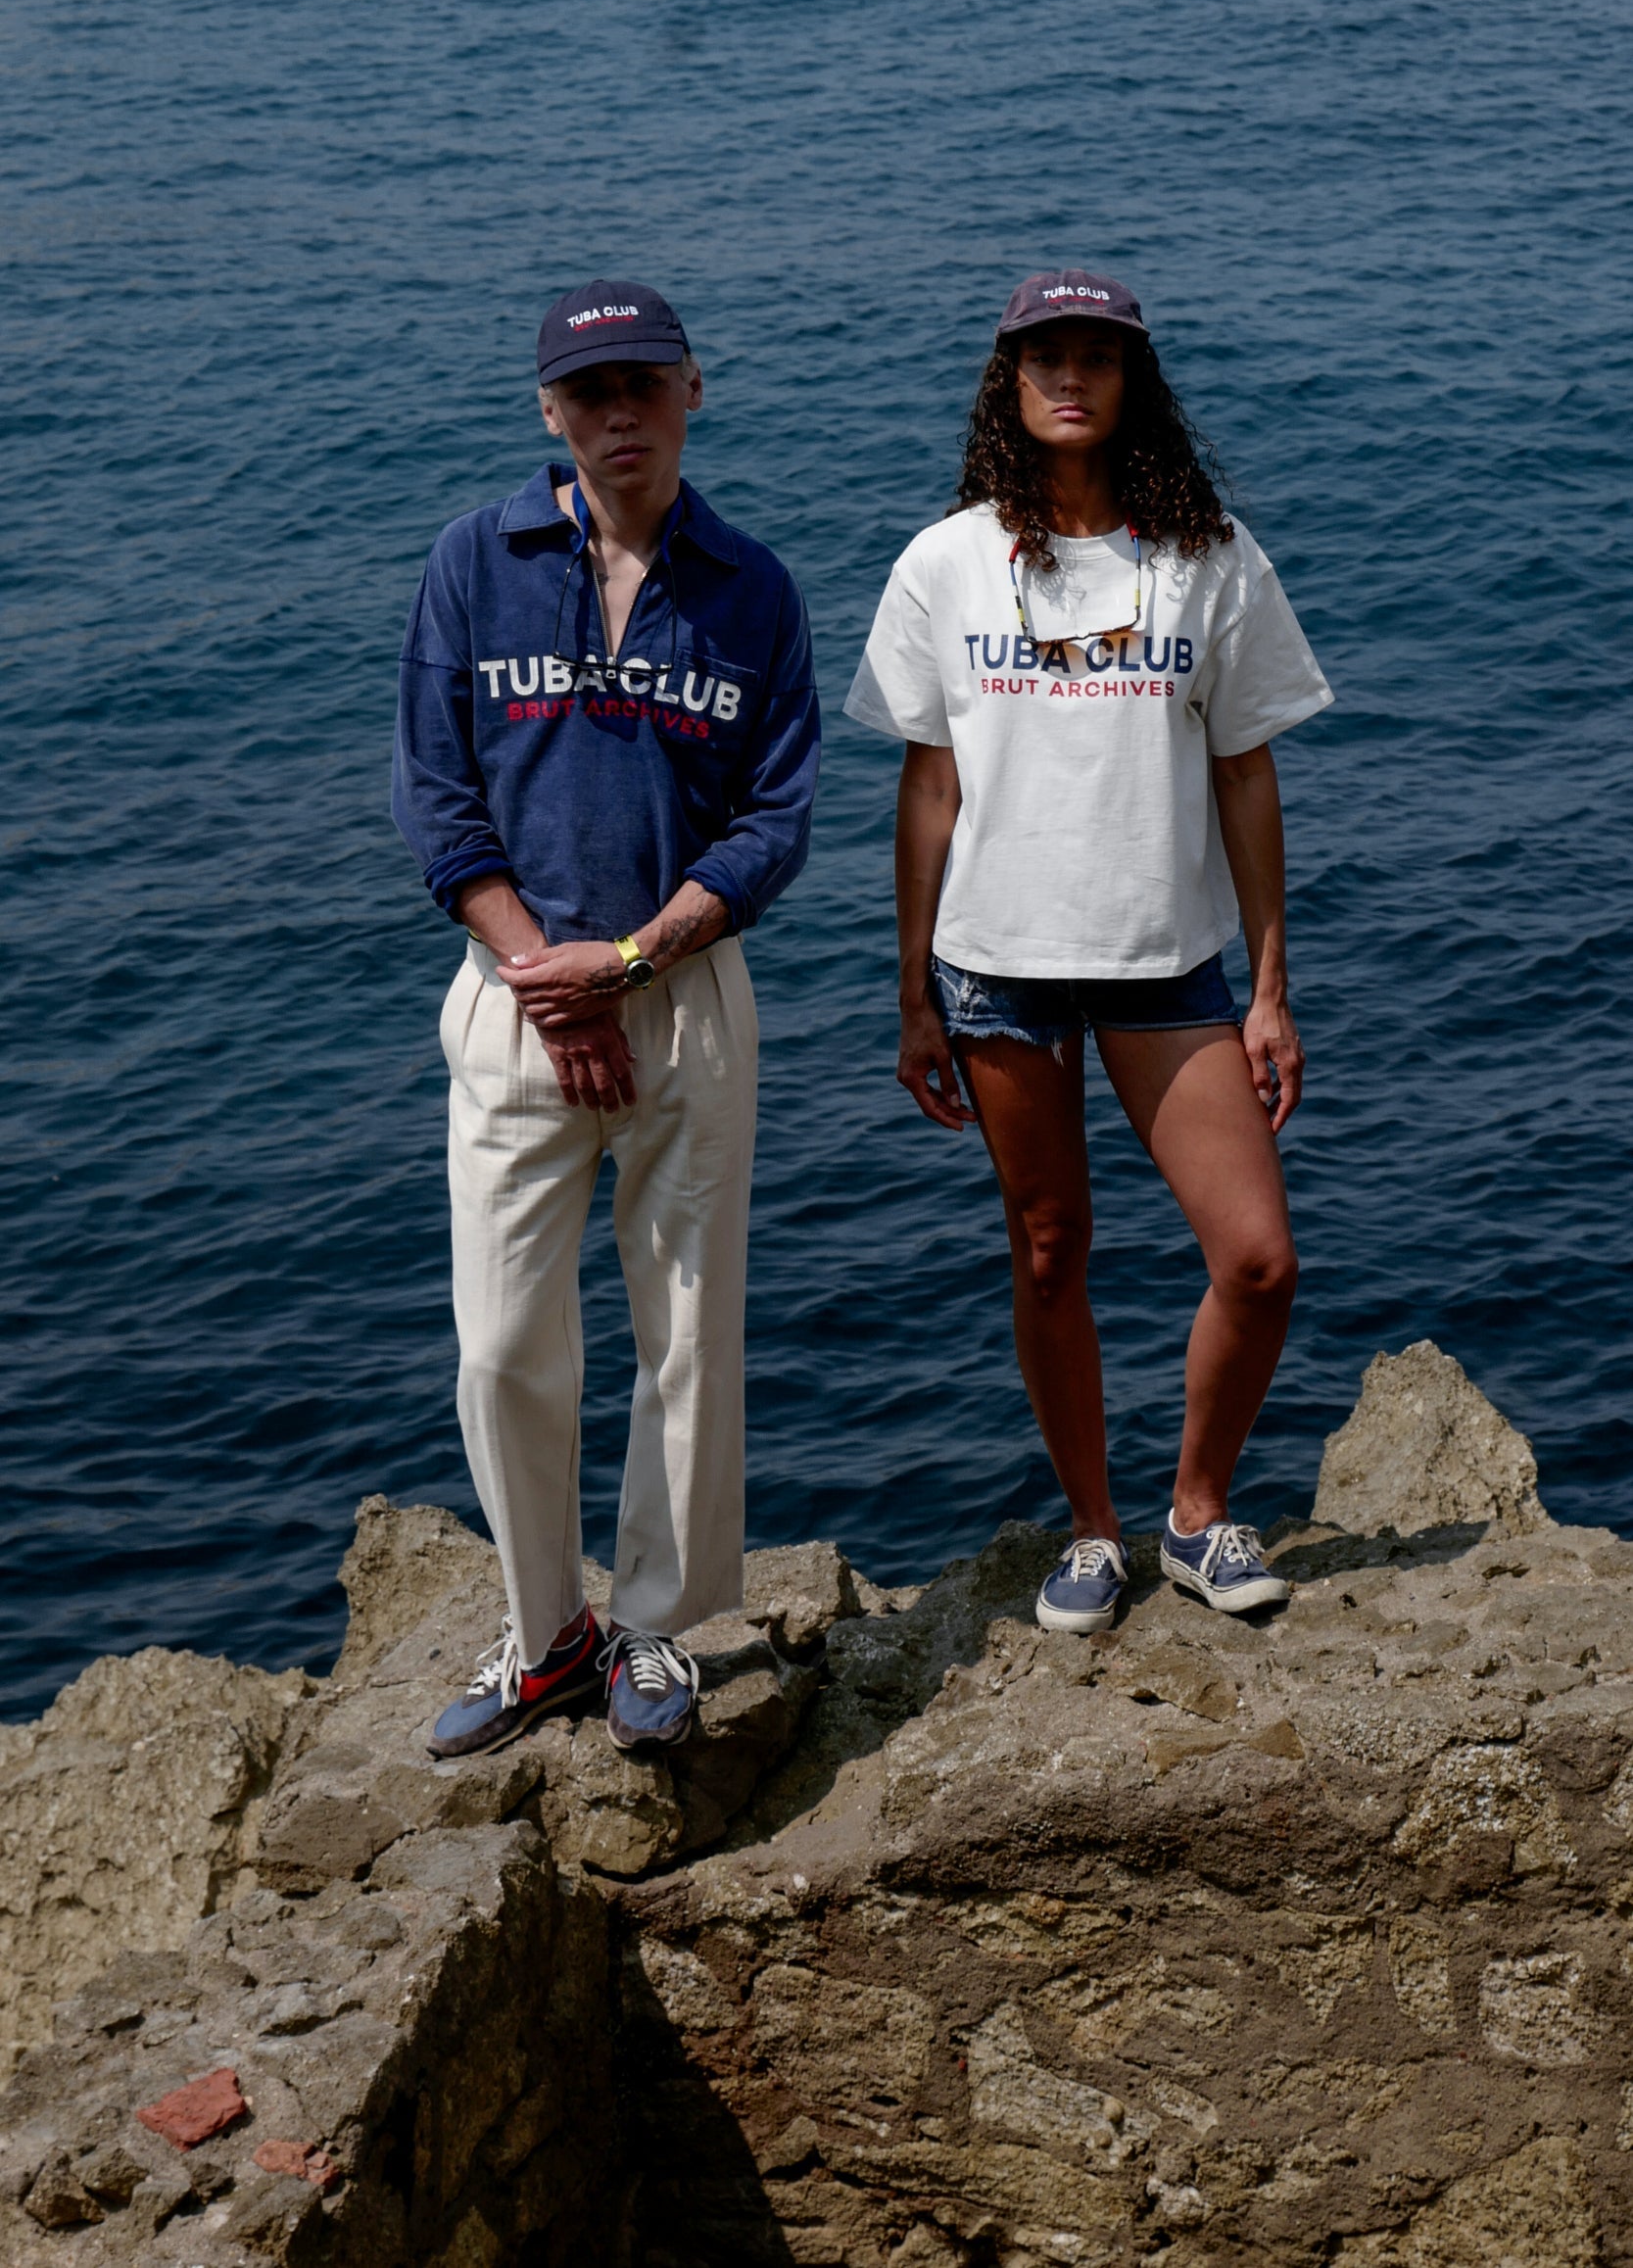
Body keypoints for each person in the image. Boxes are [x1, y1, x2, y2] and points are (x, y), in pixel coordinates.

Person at [845, 270, 1332, 1632]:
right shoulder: (945, 563)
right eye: (1045, 356)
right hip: (995, 965)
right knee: (1052, 1249)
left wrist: (1271, 991)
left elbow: (1246, 772)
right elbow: (930, 786)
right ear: (1008, 384)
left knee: (1258, 1258)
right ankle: (1095, 1531)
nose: (1072, 377)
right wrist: (913, 992)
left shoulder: (1208, 558)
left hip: (1166, 962)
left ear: (1134, 382)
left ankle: (1198, 1514)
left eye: (1098, 357)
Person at [394, 278, 819, 1757]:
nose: (619, 413)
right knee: (502, 1346)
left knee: (687, 1336)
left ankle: (652, 1627)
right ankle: (545, 1636)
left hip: (684, 1002)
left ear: (694, 390)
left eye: (645, 383)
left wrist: (629, 964)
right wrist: (548, 978)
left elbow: (773, 823)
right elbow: (437, 797)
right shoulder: (475, 560)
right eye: (590, 391)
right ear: (550, 411)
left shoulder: (754, 588)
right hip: (515, 1002)